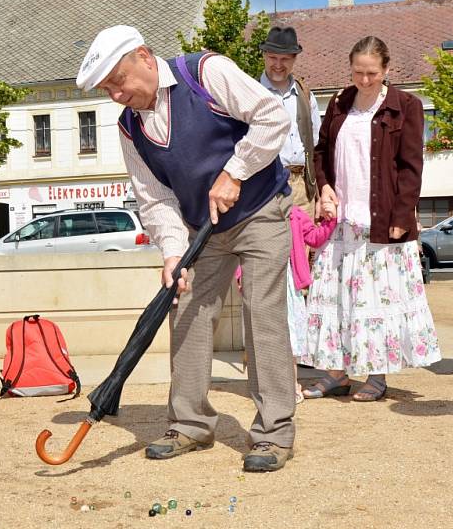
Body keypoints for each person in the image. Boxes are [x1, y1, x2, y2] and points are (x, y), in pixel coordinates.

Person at [76, 25, 295, 472]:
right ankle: (190, 423)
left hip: (259, 209)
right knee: (188, 311)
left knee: (262, 313)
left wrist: (235, 172)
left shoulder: (205, 71)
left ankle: (274, 433)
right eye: (108, 89)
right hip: (202, 229)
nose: (117, 94)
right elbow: (154, 197)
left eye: (119, 81)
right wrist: (173, 254)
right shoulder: (130, 127)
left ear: (143, 55)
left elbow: (273, 116)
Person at [301, 36, 441, 401]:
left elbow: (411, 167)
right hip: (341, 221)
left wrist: (401, 214)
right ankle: (336, 373)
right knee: (337, 299)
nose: (364, 80)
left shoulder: (405, 106)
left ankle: (377, 375)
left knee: (377, 300)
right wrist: (326, 187)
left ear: (386, 70)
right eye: (358, 72)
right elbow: (321, 153)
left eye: (372, 73)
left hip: (381, 221)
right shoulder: (338, 103)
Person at [259, 26, 321, 221]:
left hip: (303, 187)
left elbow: (316, 144)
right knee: (271, 251)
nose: (278, 64)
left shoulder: (306, 94)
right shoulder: (252, 93)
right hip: (266, 190)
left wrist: (318, 195)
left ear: (294, 59)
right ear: (264, 56)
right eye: (273, 58)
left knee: (303, 250)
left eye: (284, 59)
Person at [287, 204, 337, 403]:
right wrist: (240, 276)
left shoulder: (295, 213)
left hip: (289, 283)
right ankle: (268, 387)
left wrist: (330, 220)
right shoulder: (251, 209)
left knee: (289, 338)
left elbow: (314, 238)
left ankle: (291, 385)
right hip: (261, 279)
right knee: (264, 337)